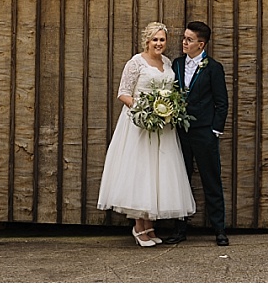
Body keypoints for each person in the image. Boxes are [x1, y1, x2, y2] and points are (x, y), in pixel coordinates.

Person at [97, 21, 196, 247]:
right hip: (139, 124)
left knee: (157, 173)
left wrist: (168, 109)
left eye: (162, 40)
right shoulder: (136, 62)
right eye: (155, 40)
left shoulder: (167, 62)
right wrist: (145, 110)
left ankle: (149, 225)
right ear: (147, 41)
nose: (159, 43)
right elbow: (123, 93)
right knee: (141, 173)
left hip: (163, 126)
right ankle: (138, 227)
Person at [165, 20, 230, 246]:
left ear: (200, 44)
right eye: (184, 38)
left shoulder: (213, 68)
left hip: (204, 132)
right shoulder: (177, 64)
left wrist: (214, 130)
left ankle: (219, 229)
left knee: (211, 179)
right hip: (180, 132)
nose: (184, 42)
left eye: (189, 40)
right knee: (180, 179)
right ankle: (180, 228)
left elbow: (222, 103)